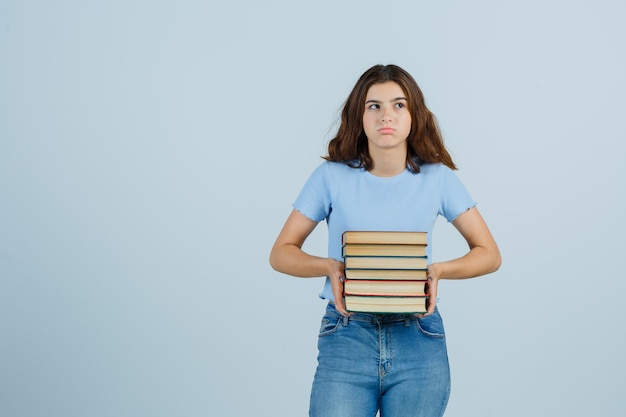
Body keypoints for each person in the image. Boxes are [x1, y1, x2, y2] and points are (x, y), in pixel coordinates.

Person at [269, 64, 501, 417]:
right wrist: (330, 266)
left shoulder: (438, 179)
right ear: (358, 115)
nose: (385, 116)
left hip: (418, 338)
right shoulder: (330, 176)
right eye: (373, 106)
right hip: (347, 334)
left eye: (399, 105)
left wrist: (438, 271)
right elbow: (281, 253)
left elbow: (489, 254)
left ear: (414, 115)